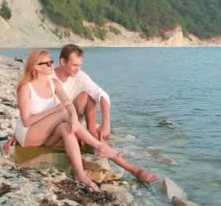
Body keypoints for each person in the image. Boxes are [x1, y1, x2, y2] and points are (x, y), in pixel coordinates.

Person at [14, 49, 122, 192]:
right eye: (47, 63)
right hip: (28, 135)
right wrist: (54, 110)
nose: (52, 65)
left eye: (52, 61)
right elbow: (26, 121)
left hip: (45, 137)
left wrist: (73, 118)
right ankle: (101, 147)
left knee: (66, 127)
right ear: (36, 66)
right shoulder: (25, 87)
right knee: (63, 113)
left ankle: (81, 174)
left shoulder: (54, 83)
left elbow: (68, 104)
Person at [53, 44, 159, 183]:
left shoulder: (79, 76)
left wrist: (106, 123)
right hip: (58, 127)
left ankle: (133, 169)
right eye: (74, 65)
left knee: (88, 95)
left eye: (80, 65)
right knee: (84, 101)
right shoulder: (49, 78)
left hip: (73, 122)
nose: (78, 69)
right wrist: (22, 134)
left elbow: (102, 95)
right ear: (63, 62)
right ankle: (132, 169)